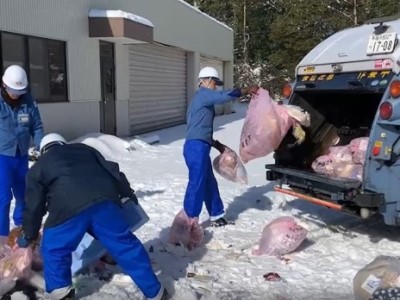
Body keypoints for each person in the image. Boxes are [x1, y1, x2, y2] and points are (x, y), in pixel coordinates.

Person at [16, 133, 168, 300]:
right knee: (125, 245)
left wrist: (28, 234)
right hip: (105, 202)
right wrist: (128, 193)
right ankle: (156, 291)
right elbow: (113, 171)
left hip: (67, 209)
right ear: (63, 143)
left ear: (43, 150)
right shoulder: (85, 149)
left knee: (54, 248)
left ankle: (60, 292)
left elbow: (34, 206)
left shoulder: (39, 166)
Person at [183, 66, 259, 227]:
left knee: (209, 182)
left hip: (200, 145)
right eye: (214, 82)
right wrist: (246, 90)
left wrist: (217, 145)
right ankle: (188, 222)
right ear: (205, 81)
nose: (215, 86)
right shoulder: (204, 95)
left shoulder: (201, 99)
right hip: (195, 147)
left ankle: (216, 215)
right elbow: (225, 96)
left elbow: (200, 128)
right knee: (197, 183)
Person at [0, 65, 44, 236]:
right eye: (12, 90)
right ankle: (2, 239)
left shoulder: (29, 102)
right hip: (2, 157)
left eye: (19, 90)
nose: (16, 94)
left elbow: (37, 127)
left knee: (24, 195)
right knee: (3, 199)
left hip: (21, 156)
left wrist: (43, 147)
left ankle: (22, 230)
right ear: (4, 85)